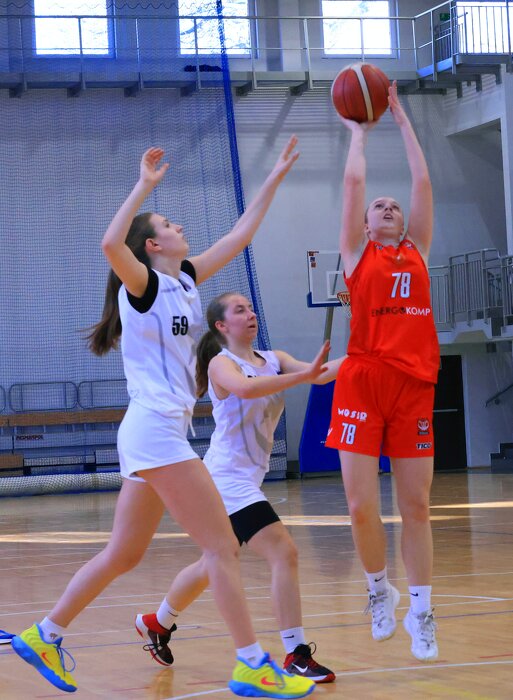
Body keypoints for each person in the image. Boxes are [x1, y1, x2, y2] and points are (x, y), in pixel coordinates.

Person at [11, 140, 318, 699]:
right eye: (171, 224)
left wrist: (273, 176)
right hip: (154, 429)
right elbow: (110, 243)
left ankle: (44, 633)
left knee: (124, 554)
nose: (182, 227)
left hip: (156, 431)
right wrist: (143, 186)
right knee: (222, 547)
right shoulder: (145, 286)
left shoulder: (185, 281)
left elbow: (240, 236)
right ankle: (250, 663)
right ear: (153, 244)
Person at [134, 292, 345, 683]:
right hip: (225, 478)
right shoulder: (221, 363)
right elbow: (247, 389)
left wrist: (368, 355)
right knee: (284, 550)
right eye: (239, 310)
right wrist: (303, 376)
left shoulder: (274, 358)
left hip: (247, 478)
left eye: (250, 308)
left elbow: (320, 372)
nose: (250, 314)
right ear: (221, 325)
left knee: (214, 561)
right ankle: (296, 654)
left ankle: (157, 622)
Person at [325, 82, 440, 662]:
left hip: (413, 385)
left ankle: (421, 610)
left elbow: (422, 181)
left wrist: (401, 117)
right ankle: (378, 591)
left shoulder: (418, 248)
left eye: (393, 206)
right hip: (363, 381)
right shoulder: (356, 254)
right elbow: (353, 185)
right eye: (379, 206)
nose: (389, 207)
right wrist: (358, 133)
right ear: (366, 225)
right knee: (359, 505)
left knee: (415, 507)